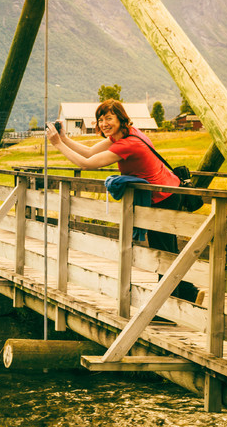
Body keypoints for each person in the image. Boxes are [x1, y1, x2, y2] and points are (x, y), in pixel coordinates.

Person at [45, 99, 198, 302]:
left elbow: (86, 163)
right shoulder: (126, 134)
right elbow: (90, 152)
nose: (104, 124)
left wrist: (56, 144)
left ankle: (166, 306)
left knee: (163, 253)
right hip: (169, 192)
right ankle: (189, 293)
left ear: (121, 118)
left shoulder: (128, 144)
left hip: (163, 198)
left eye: (109, 118)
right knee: (168, 250)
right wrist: (64, 138)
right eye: (100, 120)